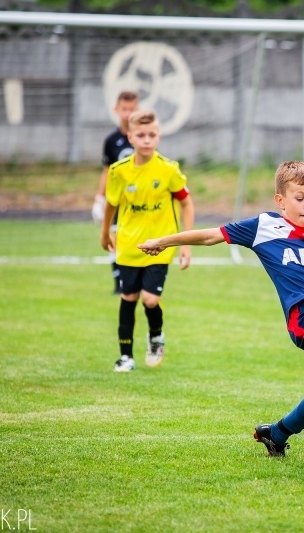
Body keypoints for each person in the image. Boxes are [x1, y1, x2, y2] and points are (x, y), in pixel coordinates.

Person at [138, 152, 304, 479]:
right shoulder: (265, 226)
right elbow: (210, 235)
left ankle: (276, 434)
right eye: (299, 198)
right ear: (280, 200)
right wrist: (164, 241)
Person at [100, 109, 195, 372]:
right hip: (128, 244)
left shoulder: (168, 170)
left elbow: (186, 204)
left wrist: (184, 245)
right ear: (130, 137)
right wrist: (104, 232)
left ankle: (156, 337)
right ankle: (125, 357)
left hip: (159, 246)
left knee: (150, 300)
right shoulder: (119, 172)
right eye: (140, 135)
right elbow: (111, 204)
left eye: (151, 135)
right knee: (129, 296)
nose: (146, 140)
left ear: (158, 136)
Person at [93, 91, 139, 294]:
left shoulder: (142, 137)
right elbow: (106, 171)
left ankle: (136, 278)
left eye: (132, 109)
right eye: (125, 109)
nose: (128, 114)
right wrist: (99, 197)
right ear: (117, 110)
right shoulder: (111, 141)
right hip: (117, 198)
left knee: (134, 237)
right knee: (113, 236)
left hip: (137, 199)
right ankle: (118, 281)